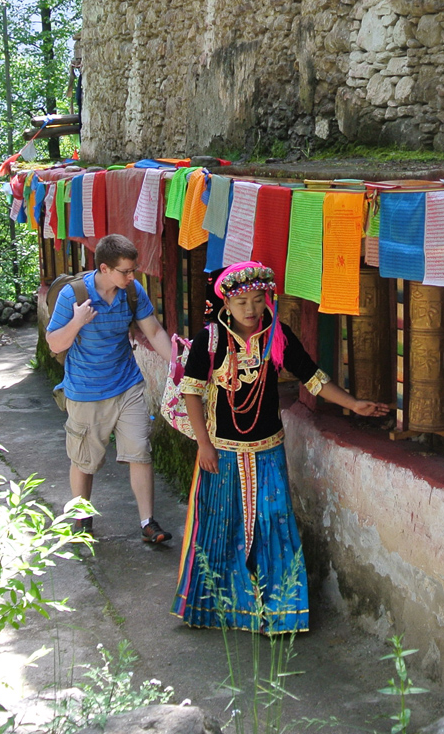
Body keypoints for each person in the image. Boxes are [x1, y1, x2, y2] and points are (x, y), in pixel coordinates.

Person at [172, 261, 390, 634]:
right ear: (226, 303)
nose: (252, 309)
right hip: (221, 451)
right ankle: (219, 610)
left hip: (268, 449)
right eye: (242, 303)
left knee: (273, 522)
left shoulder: (278, 337)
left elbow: (313, 378)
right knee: (222, 525)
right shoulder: (209, 341)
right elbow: (191, 392)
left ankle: (280, 613)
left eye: (259, 300)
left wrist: (353, 404)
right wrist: (203, 444)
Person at [45, 233, 174, 542]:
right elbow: (54, 343)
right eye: (125, 271)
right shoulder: (72, 295)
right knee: (84, 460)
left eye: (133, 270)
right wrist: (77, 322)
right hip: (85, 390)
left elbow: (153, 330)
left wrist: (179, 367)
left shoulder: (132, 291)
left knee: (140, 451)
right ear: (104, 269)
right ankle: (82, 517)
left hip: (126, 384)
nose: (132, 276)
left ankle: (148, 523)